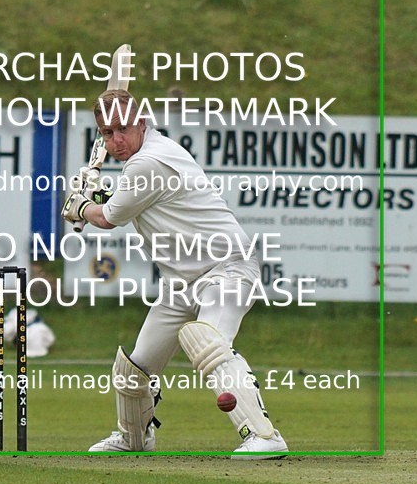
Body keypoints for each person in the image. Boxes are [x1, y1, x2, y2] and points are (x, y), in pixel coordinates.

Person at [62, 90, 288, 458]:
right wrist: (93, 200)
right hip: (181, 282)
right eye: (106, 133)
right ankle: (134, 438)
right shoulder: (143, 159)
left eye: (122, 129)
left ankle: (264, 435)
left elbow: (107, 218)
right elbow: (120, 203)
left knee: (209, 342)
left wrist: (80, 205)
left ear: (141, 122)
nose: (115, 140)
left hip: (226, 266)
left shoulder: (149, 162)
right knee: (133, 371)